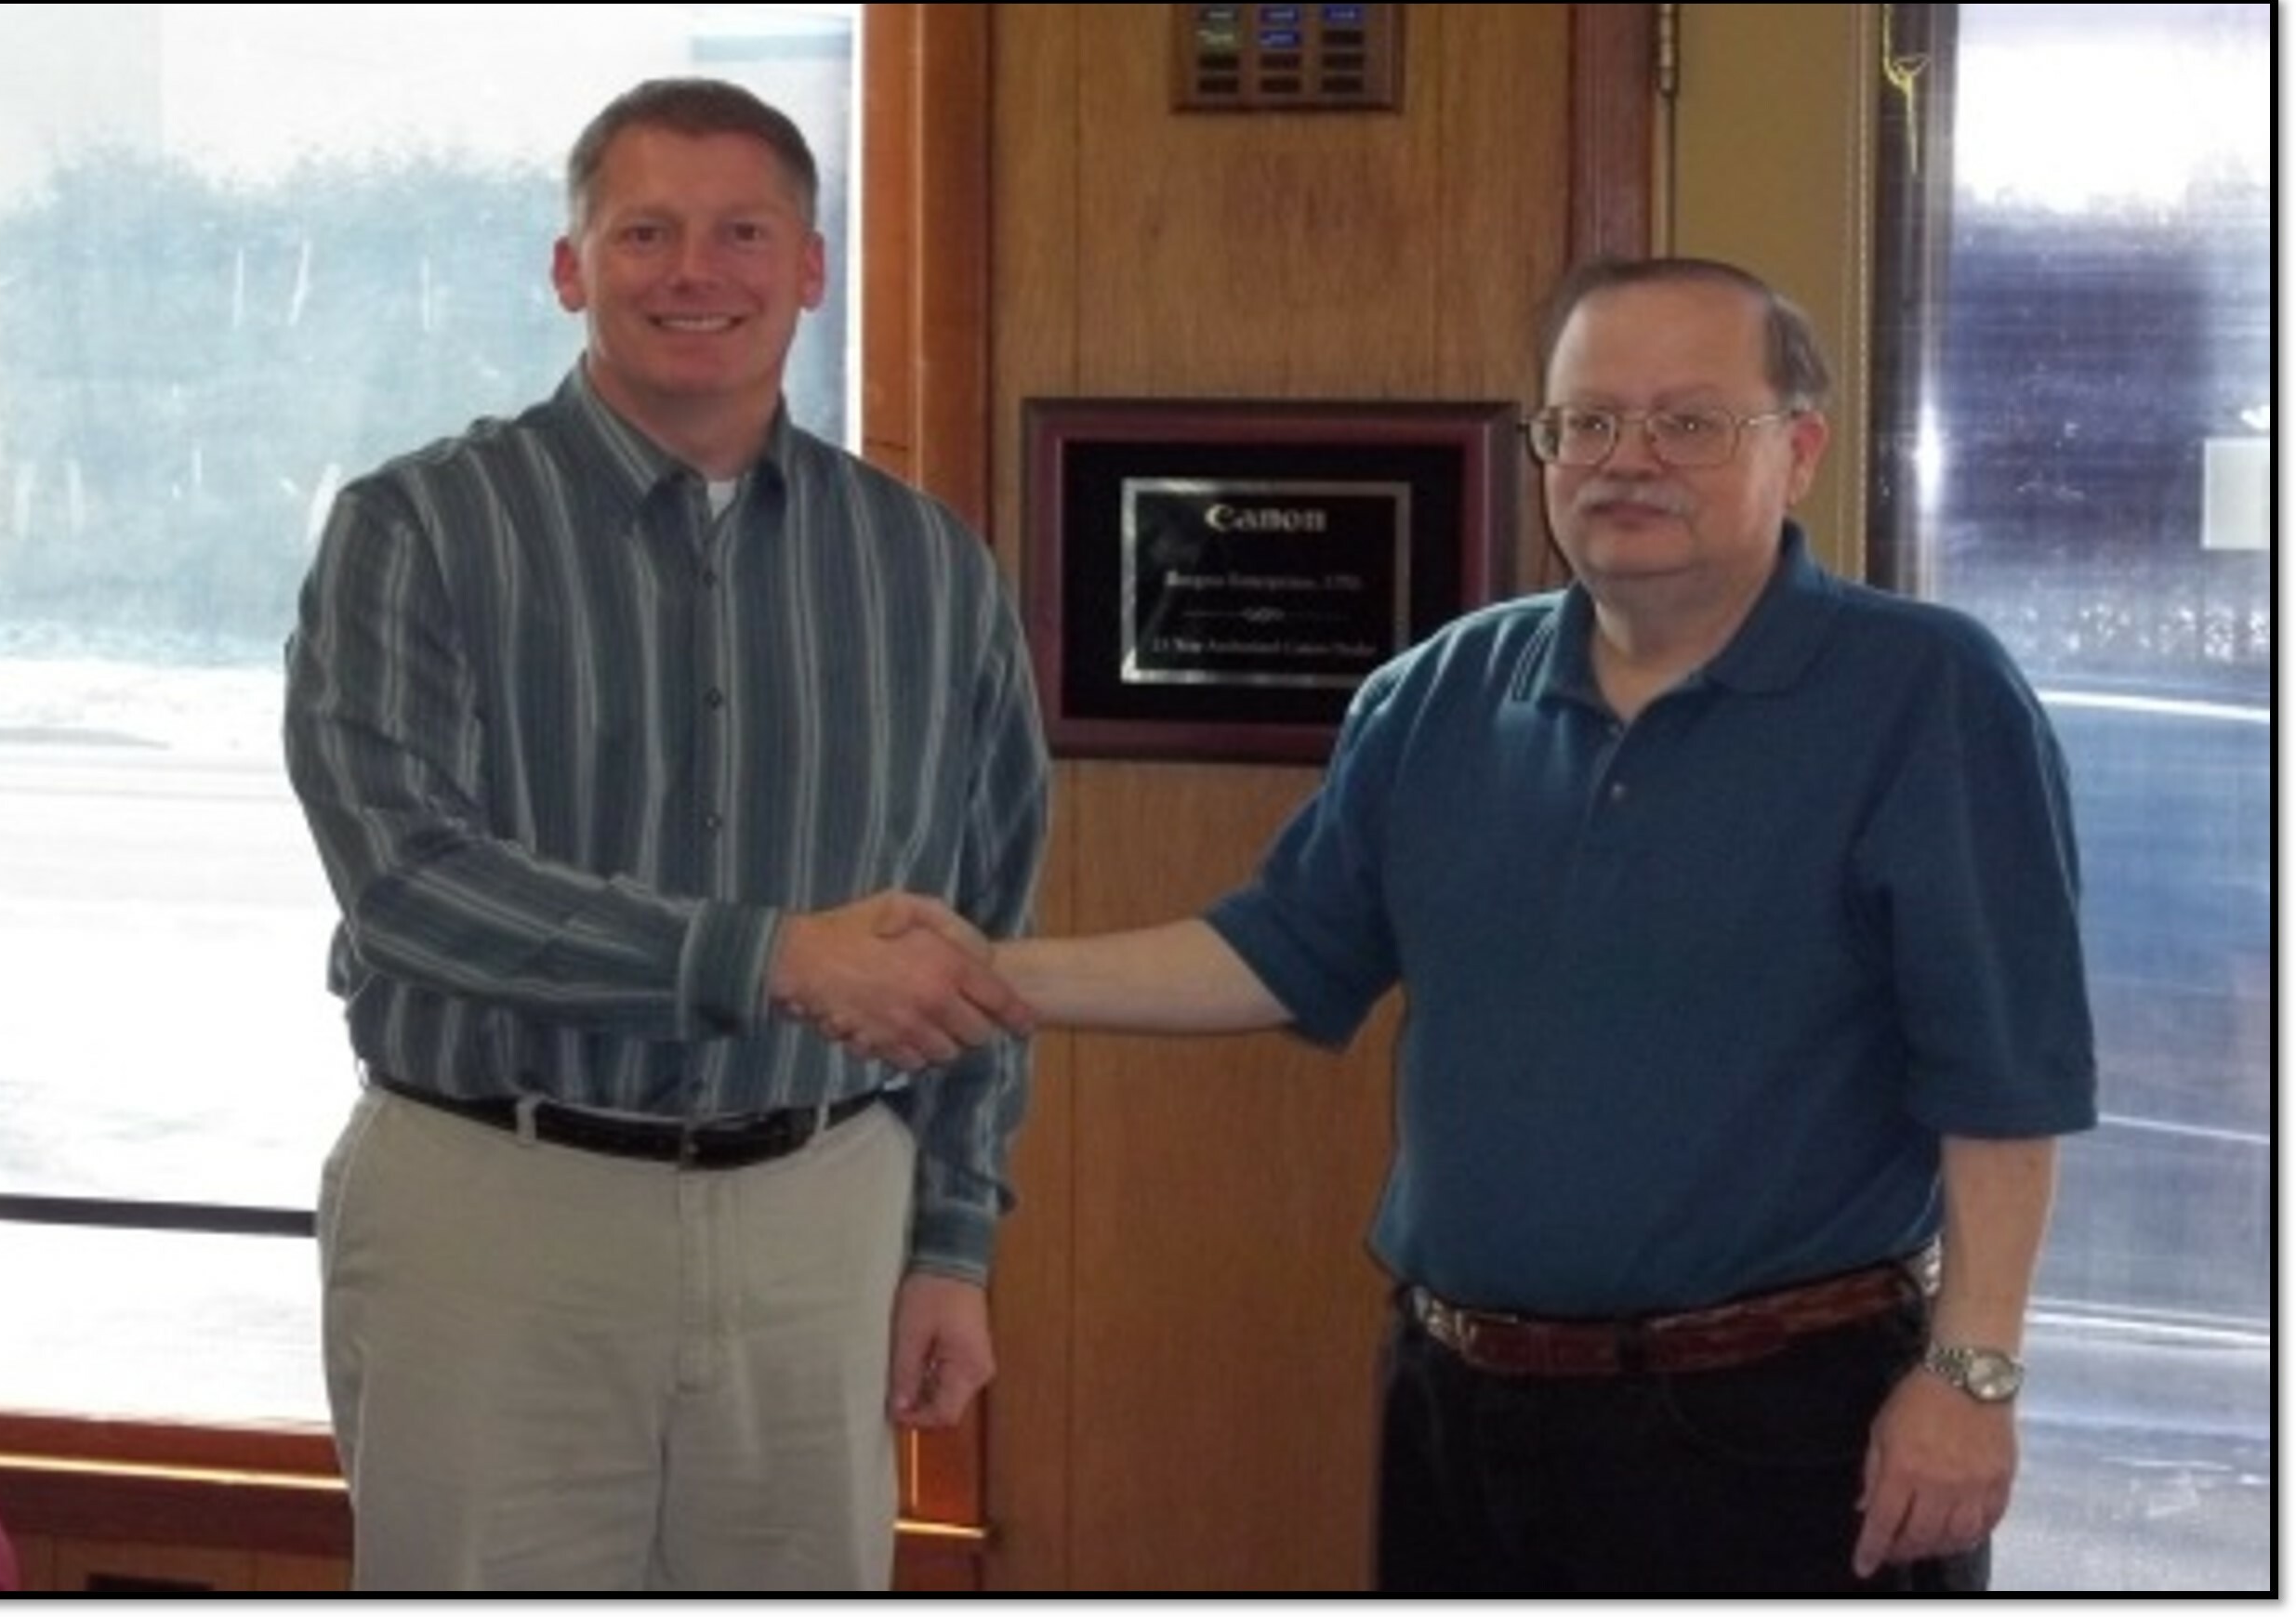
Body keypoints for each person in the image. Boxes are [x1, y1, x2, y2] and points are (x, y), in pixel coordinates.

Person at [884, 256, 2096, 1593]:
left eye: (1689, 423)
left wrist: (1971, 1377)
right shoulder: (1440, 693)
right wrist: (981, 971)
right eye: (1587, 421)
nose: (1627, 460)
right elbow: (1276, 951)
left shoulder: (1926, 694)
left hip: (1784, 1424)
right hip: (1460, 1411)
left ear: (1797, 450)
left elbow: (2003, 1082)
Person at [281, 77, 1049, 1592]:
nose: (694, 272)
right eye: (644, 233)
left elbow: (982, 936)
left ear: (809, 269)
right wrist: (769, 959)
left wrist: (953, 1243)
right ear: (569, 268)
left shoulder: (926, 565)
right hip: (493, 1211)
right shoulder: (416, 529)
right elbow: (408, 885)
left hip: (823, 1214)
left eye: (742, 233)